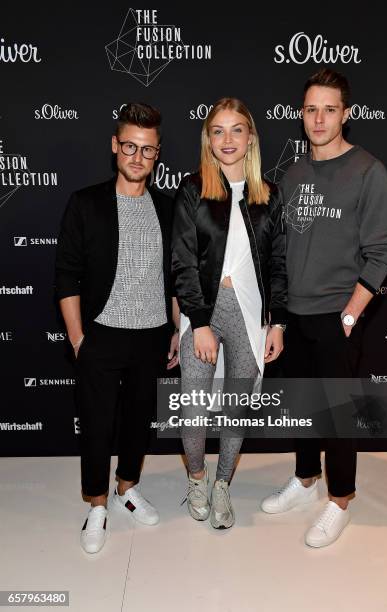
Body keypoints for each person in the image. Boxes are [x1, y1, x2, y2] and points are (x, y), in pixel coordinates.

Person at [261, 69, 387, 547]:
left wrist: (349, 314)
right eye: (311, 109)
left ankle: (339, 500)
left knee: (337, 413)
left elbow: (383, 250)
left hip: (336, 315)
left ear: (346, 114)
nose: (319, 118)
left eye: (329, 109)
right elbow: (281, 252)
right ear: (302, 115)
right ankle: (304, 481)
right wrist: (279, 318)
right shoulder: (294, 174)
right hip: (293, 315)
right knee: (302, 404)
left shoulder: (368, 172)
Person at [55, 103, 179, 554]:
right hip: (101, 332)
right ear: (115, 146)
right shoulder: (86, 204)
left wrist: (175, 327)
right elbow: (66, 276)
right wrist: (78, 339)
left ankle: (127, 488)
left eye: (147, 149)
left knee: (137, 420)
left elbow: (176, 275)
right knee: (96, 423)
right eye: (130, 146)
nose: (137, 156)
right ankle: (97, 504)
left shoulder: (168, 209)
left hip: (151, 334)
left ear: (157, 153)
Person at [172, 97, 287, 529]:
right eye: (218, 130)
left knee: (237, 408)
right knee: (193, 410)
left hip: (250, 312)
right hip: (202, 309)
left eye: (237, 129)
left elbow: (278, 264)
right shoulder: (192, 188)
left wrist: (278, 322)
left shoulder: (270, 194)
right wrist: (198, 321)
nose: (227, 139)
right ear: (208, 138)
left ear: (251, 137)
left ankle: (223, 485)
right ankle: (197, 478)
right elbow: (182, 261)